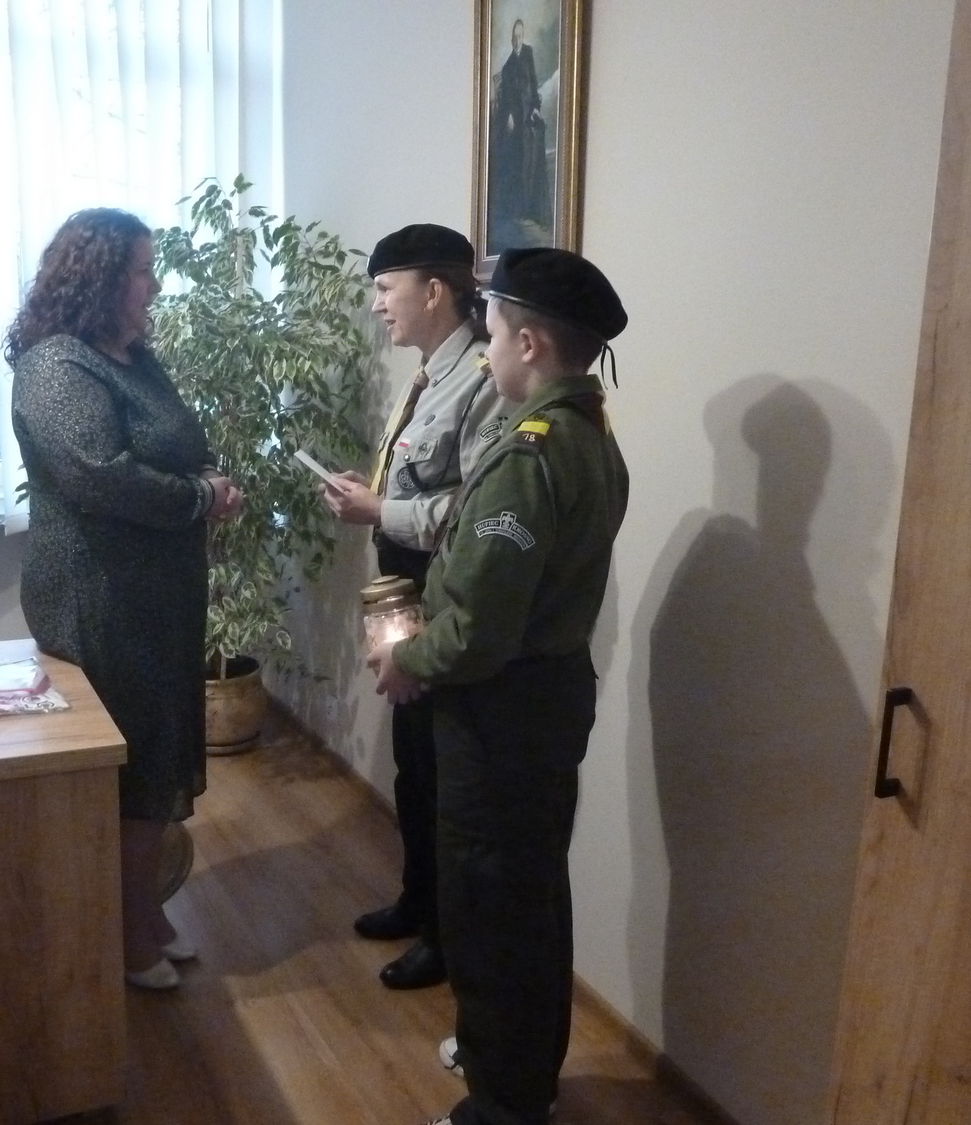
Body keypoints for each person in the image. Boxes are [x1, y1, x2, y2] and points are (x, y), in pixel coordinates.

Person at [368, 247, 630, 1125]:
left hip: (503, 709)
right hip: (545, 700)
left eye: (493, 329)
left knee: (490, 906)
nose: (484, 350)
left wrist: (409, 658)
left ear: (529, 343)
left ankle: (502, 1101)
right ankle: (516, 1063)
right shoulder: (590, 433)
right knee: (530, 892)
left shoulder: (529, 455)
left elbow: (481, 626)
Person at [6, 208, 242, 991]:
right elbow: (98, 475)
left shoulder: (133, 355)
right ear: (100, 277)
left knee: (158, 751)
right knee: (132, 765)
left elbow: (175, 443)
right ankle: (122, 928)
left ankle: (141, 908)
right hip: (97, 595)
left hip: (158, 594)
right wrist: (199, 498)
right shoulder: (55, 364)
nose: (155, 284)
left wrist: (206, 481)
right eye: (143, 270)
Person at [324, 223, 511, 991]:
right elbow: (414, 480)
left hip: (442, 595)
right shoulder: (428, 374)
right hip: (400, 588)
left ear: (434, 290)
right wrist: (367, 490)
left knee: (442, 776)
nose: (377, 306)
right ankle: (417, 898)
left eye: (385, 288)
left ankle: (444, 934)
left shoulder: (484, 378)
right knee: (412, 760)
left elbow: (470, 511)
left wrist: (380, 511)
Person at [489, 19, 550, 249]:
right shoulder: (508, 66)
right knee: (517, 164)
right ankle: (520, 208)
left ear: (523, 36)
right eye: (515, 37)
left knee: (531, 160)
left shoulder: (528, 54)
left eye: (520, 36)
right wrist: (508, 117)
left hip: (528, 117)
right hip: (515, 122)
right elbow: (505, 98)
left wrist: (535, 108)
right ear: (511, 38)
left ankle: (532, 208)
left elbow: (533, 84)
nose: (517, 41)